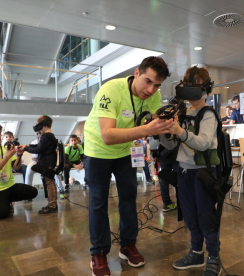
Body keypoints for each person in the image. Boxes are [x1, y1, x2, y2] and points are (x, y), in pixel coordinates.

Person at [84, 56, 173, 276]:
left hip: (124, 151)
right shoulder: (110, 90)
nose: (151, 90)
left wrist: (167, 121)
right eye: (147, 81)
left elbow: (153, 120)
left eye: (157, 85)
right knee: (98, 202)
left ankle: (127, 245)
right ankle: (99, 252)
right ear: (136, 73)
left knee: (128, 197)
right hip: (97, 151)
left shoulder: (154, 95)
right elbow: (107, 135)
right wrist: (148, 130)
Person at [160, 66, 222, 276]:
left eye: (193, 85)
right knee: (189, 215)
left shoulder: (208, 114)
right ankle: (196, 252)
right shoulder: (182, 113)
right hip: (183, 172)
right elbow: (171, 146)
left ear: (204, 88)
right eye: (187, 85)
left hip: (202, 173)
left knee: (206, 216)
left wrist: (179, 131)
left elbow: (204, 143)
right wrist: (162, 130)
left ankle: (213, 256)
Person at [0, 123, 38, 219]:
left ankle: (4, 201)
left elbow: (16, 167)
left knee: (33, 192)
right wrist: (7, 157)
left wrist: (19, 155)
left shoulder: (5, 149)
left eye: (0, 134)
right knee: (2, 214)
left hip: (9, 186)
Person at [22, 115, 58, 214]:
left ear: (44, 124)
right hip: (50, 163)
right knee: (51, 183)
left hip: (46, 164)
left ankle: (52, 205)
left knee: (49, 184)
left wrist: (25, 149)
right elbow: (39, 146)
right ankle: (53, 204)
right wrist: (28, 146)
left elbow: (38, 149)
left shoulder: (45, 136)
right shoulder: (50, 135)